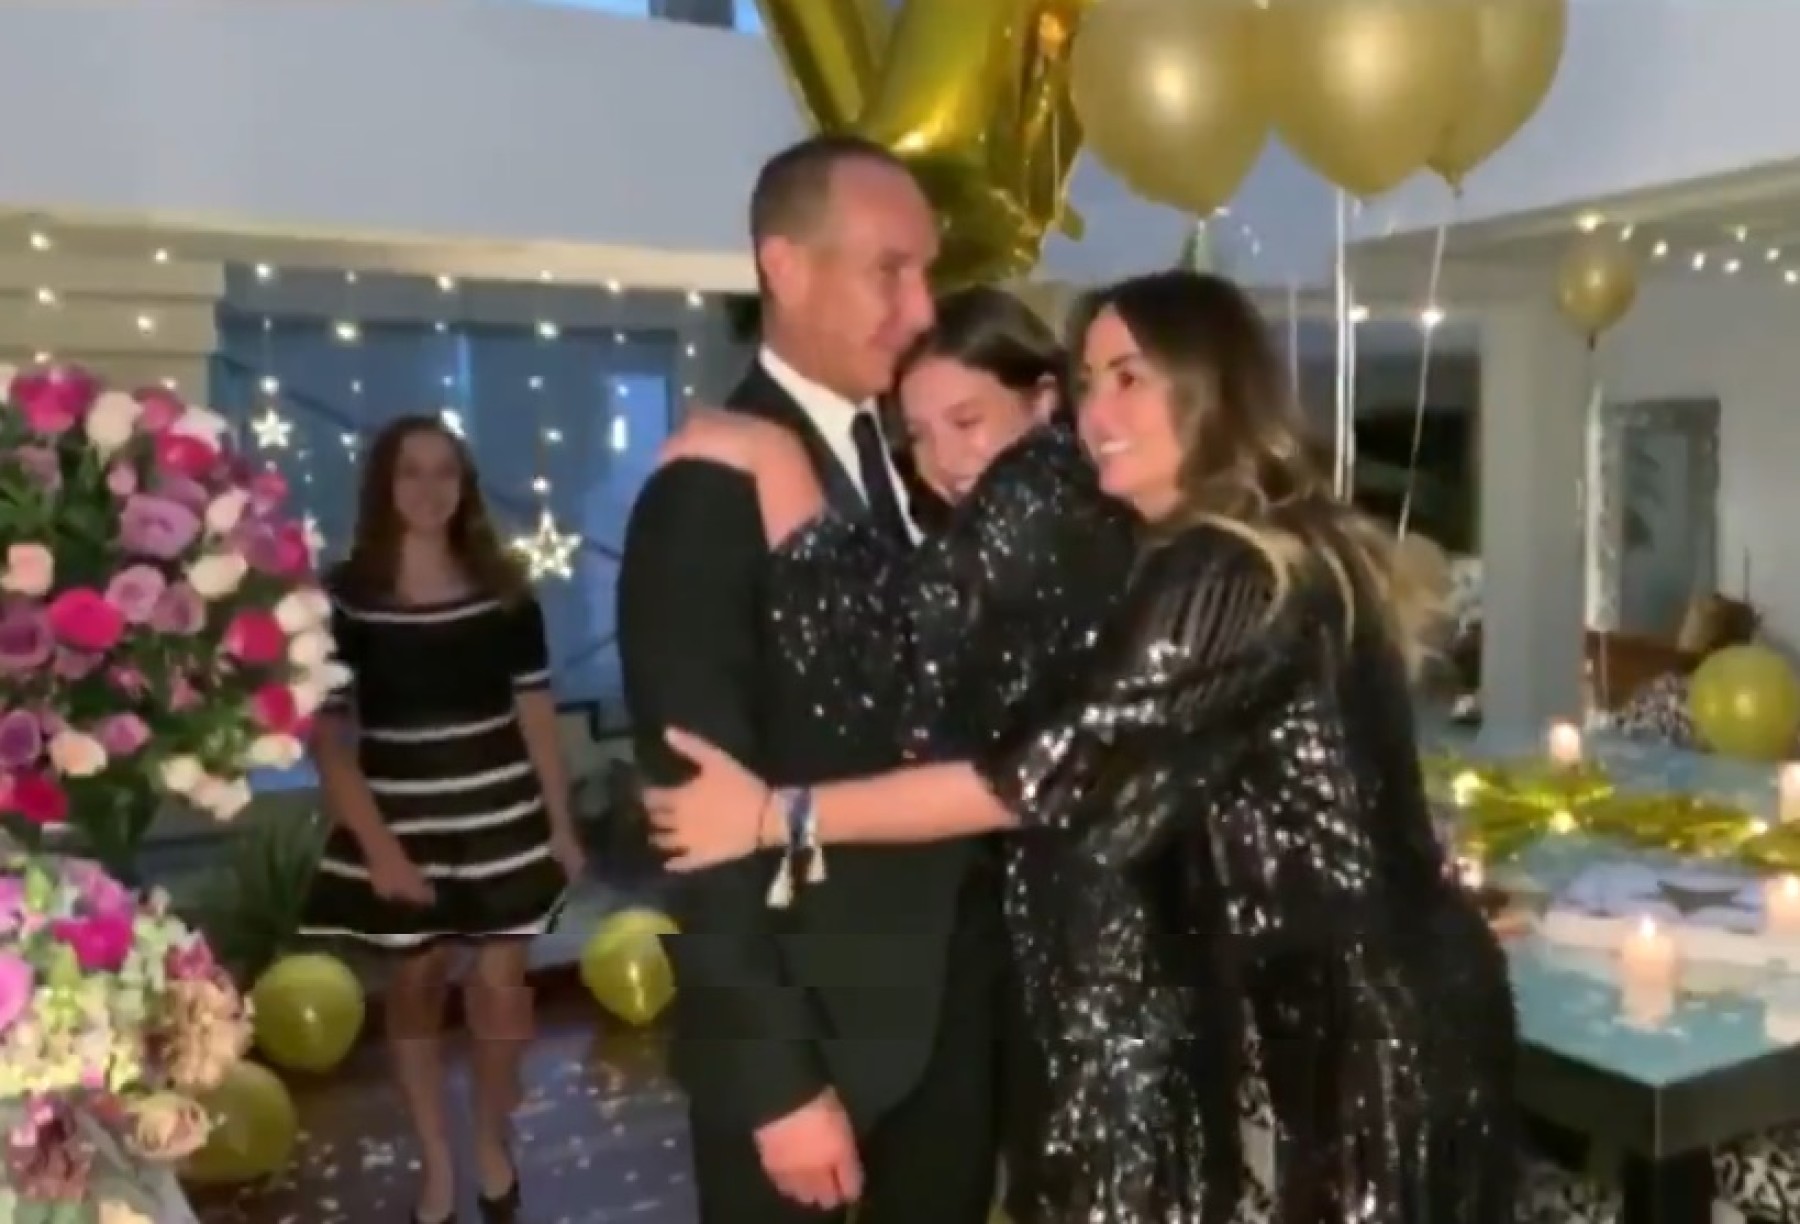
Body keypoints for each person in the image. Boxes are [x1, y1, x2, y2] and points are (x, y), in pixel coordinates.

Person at [644, 270, 1521, 1224]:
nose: (1096, 413)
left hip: (1368, 1022)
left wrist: (775, 815)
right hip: (1348, 1000)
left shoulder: (1228, 564)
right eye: (1091, 380)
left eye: (1129, 378)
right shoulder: (1239, 542)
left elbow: (1034, 776)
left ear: (1212, 384)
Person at [659, 284, 1140, 1219]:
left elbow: (895, 652)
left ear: (1045, 399)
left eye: (968, 419)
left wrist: (775, 461)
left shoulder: (1041, 486)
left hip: (1094, 942)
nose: (946, 458)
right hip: (1058, 940)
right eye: (918, 434)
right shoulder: (1059, 507)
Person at [616, 134, 1003, 1224]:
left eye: (928, 273)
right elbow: (694, 813)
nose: (921, 308)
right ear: (784, 268)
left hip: (955, 1030)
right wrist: (775, 1083)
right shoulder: (707, 489)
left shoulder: (930, 466)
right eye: (891, 270)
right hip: (816, 1046)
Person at [301, 416, 586, 1224]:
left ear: (465, 486)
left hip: (504, 817)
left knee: (501, 991)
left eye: (444, 472)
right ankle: (436, 1159)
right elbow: (327, 739)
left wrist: (561, 824)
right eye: (410, 472)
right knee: (417, 985)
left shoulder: (507, 593)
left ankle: (492, 1138)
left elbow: (537, 716)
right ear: (382, 487)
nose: (429, 489)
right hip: (401, 821)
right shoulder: (343, 600)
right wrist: (378, 851)